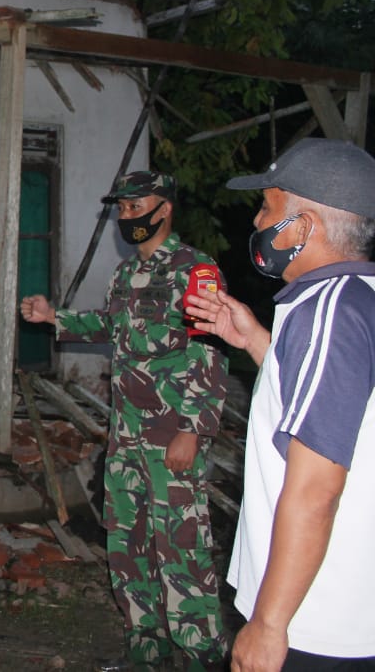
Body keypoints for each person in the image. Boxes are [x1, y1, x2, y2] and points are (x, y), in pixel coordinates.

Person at [20, 170, 229, 670]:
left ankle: (203, 654)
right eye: (123, 210)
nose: (127, 218)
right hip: (127, 438)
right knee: (129, 546)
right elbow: (111, 324)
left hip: (170, 438)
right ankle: (147, 648)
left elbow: (209, 351)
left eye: (137, 208)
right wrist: (56, 318)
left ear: (165, 209)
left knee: (180, 548)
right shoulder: (125, 275)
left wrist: (193, 430)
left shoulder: (195, 270)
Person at [186, 138, 375, 671]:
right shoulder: (355, 302)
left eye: (267, 207)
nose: (257, 220)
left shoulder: (329, 314)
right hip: (338, 608)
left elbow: (317, 489)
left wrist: (269, 624)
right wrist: (254, 341)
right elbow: (338, 407)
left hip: (312, 620)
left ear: (303, 227)